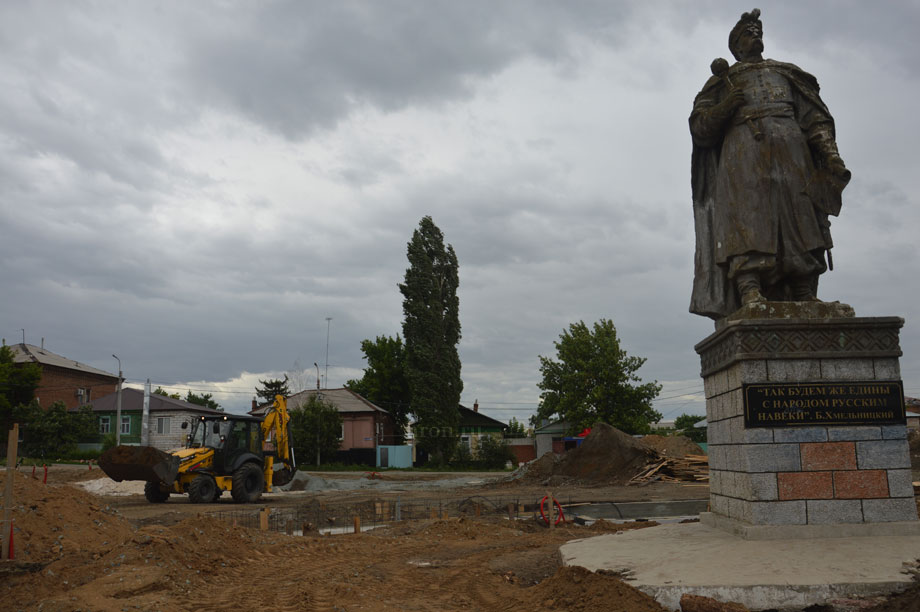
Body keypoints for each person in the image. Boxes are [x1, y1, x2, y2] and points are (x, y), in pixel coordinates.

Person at [689, 8, 850, 320]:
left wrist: (830, 155)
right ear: (735, 46)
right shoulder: (723, 81)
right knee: (748, 220)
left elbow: (815, 118)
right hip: (743, 157)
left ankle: (803, 290)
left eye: (758, 31)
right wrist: (725, 108)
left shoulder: (786, 73)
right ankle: (750, 289)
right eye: (748, 33)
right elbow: (700, 128)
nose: (755, 36)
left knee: (799, 215)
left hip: (793, 152)